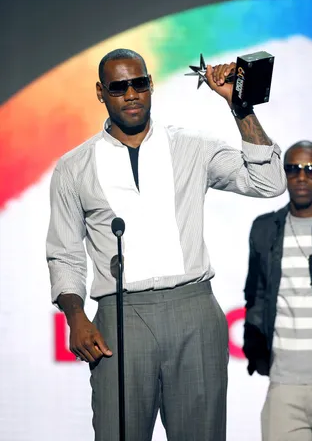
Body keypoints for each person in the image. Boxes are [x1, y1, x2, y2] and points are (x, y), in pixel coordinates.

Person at [46, 48, 286, 441]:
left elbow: (269, 182)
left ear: (151, 85)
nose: (131, 94)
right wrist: (75, 317)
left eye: (139, 83)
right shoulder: (75, 166)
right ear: (101, 92)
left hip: (193, 311)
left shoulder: (191, 146)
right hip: (120, 318)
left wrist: (240, 108)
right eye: (119, 86)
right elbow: (65, 253)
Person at [243, 140, 312, 441]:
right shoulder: (264, 228)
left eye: (311, 169)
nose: (301, 177)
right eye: (293, 169)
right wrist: (255, 348)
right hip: (284, 383)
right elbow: (256, 295)